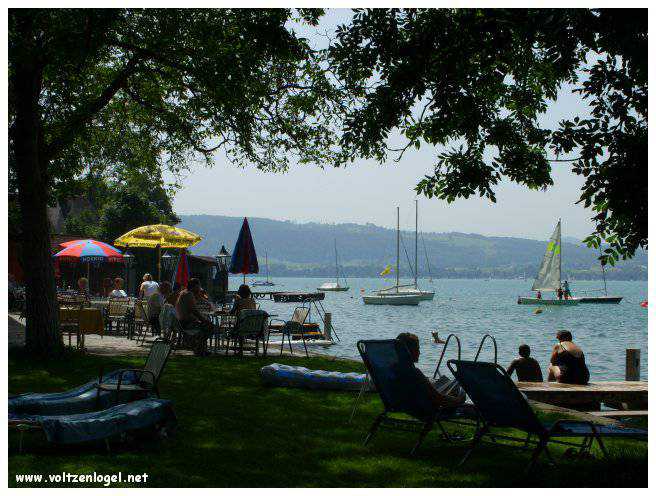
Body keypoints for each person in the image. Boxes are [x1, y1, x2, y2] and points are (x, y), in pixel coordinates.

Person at [396, 332, 463, 409]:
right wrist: (459, 400)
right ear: (409, 352)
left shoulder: (393, 369)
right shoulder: (415, 373)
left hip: (403, 403)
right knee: (456, 384)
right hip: (425, 408)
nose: (420, 352)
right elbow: (439, 398)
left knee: (443, 382)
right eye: (417, 349)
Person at [176, 278, 214, 355]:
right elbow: (194, 311)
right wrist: (203, 320)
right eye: (198, 286)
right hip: (186, 323)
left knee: (206, 325)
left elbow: (193, 310)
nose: (199, 288)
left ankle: (199, 348)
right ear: (195, 286)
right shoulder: (189, 294)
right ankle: (199, 348)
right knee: (210, 326)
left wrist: (201, 319)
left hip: (181, 321)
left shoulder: (183, 293)